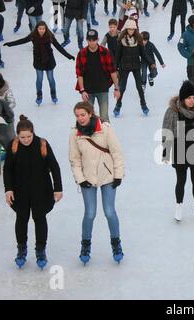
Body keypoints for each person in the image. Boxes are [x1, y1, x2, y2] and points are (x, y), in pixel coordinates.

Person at [69, 101, 125, 265]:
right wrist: (81, 179)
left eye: (83, 115)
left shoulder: (105, 129)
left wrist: (118, 175)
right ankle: (85, 246)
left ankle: (116, 244)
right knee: (90, 213)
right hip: (87, 178)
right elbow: (74, 160)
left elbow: (117, 153)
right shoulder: (75, 134)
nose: (80, 118)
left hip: (107, 176)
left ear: (90, 113)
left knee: (109, 211)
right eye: (77, 116)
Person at [3, 115, 63, 269]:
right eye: (22, 137)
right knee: (21, 218)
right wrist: (8, 189)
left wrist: (58, 188)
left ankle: (41, 249)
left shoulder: (42, 144)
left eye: (29, 136)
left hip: (41, 190)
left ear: (33, 133)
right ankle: (21, 249)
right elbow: (7, 169)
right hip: (20, 190)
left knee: (39, 218)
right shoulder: (13, 145)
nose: (26, 140)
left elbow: (54, 167)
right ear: (17, 135)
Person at [161, 81, 194, 222]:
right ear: (182, 99)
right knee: (181, 180)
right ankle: (179, 206)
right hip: (180, 150)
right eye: (188, 98)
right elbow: (167, 132)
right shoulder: (173, 112)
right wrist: (166, 152)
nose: (192, 101)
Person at [4, 21, 75, 106]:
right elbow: (22, 41)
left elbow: (59, 47)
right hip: (38, 60)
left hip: (49, 60)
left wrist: (68, 56)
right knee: (39, 79)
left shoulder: (50, 36)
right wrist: (10, 44)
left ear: (46, 29)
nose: (42, 30)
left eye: (43, 29)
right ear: (37, 29)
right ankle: (39, 96)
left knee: (51, 79)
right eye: (40, 29)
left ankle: (53, 94)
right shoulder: (33, 36)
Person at [75, 29, 121, 123]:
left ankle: (106, 137)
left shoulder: (105, 52)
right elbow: (79, 74)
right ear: (87, 40)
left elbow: (112, 71)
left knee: (104, 118)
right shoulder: (82, 54)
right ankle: (90, 137)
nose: (92, 42)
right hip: (88, 91)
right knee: (88, 119)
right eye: (90, 40)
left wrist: (117, 88)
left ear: (98, 39)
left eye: (94, 40)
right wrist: (82, 90)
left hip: (102, 89)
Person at [113, 18, 154, 117]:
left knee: (139, 87)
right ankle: (118, 106)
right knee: (122, 88)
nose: (131, 31)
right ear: (126, 29)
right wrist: (115, 68)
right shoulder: (121, 40)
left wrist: (151, 63)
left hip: (136, 66)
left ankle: (143, 105)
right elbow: (117, 56)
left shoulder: (139, 40)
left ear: (135, 29)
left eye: (132, 29)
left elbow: (143, 54)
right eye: (129, 29)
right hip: (124, 67)